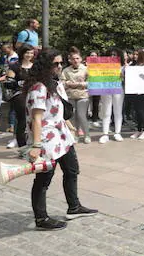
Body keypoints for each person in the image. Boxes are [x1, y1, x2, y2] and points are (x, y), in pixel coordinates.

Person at [25, 50, 98, 230]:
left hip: (62, 135)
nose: (59, 67)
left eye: (60, 63)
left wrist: (69, 126)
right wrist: (36, 145)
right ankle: (41, 218)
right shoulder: (39, 88)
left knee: (72, 170)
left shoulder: (53, 84)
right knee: (44, 180)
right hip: (47, 139)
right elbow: (36, 117)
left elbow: (57, 110)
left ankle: (74, 207)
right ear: (45, 65)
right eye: (55, 64)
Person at [5, 44, 36, 151]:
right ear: (22, 53)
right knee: (22, 121)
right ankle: (22, 148)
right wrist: (20, 83)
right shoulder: (15, 66)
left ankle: (34, 145)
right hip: (19, 95)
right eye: (27, 52)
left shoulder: (35, 66)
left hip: (35, 95)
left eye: (31, 53)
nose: (29, 55)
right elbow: (8, 83)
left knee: (35, 120)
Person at [61, 48, 90, 144]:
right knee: (72, 117)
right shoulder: (66, 70)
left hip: (82, 95)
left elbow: (91, 82)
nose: (75, 60)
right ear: (70, 60)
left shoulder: (86, 69)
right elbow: (62, 82)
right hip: (70, 96)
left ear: (81, 59)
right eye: (73, 59)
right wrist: (68, 83)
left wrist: (81, 84)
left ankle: (86, 135)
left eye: (77, 58)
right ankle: (74, 135)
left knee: (81, 115)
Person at [98, 49, 126, 144]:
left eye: (115, 55)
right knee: (106, 112)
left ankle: (117, 132)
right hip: (106, 89)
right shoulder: (102, 67)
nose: (113, 56)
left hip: (118, 89)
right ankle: (105, 134)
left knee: (118, 111)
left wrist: (123, 76)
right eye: (111, 55)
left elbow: (128, 80)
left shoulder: (123, 67)